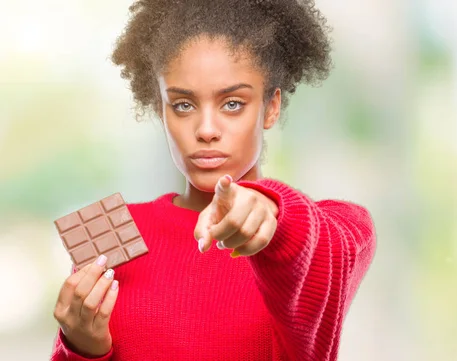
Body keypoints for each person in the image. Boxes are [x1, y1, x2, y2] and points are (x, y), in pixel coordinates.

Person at [50, 1, 376, 360]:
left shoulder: (339, 230)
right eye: (183, 105)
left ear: (271, 107)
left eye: (233, 103)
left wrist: (270, 210)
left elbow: (319, 248)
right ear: (161, 109)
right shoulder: (110, 233)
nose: (206, 130)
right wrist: (82, 349)